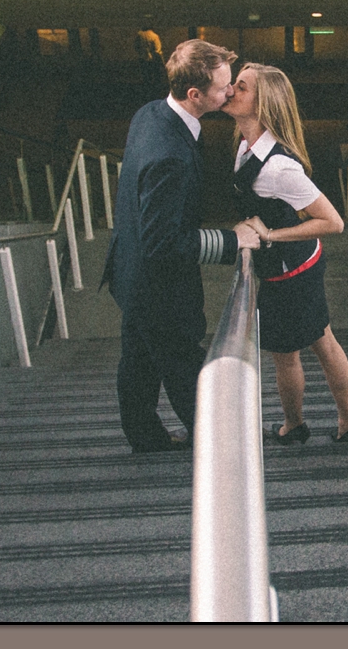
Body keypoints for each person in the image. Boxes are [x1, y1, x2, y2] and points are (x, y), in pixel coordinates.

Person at [103, 39, 260, 453]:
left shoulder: (151, 113)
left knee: (138, 359)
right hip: (157, 286)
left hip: (131, 270)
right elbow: (164, 244)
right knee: (182, 361)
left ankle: (145, 437)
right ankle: (218, 445)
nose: (230, 92)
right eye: (223, 87)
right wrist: (232, 241)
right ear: (195, 95)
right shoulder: (169, 154)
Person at [222, 63, 348, 444]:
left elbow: (333, 222)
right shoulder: (247, 144)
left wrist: (270, 233)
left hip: (291, 271)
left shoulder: (279, 167)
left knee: (292, 352)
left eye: (242, 87)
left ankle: (299, 425)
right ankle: (343, 424)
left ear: (263, 104)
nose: (231, 90)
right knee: (321, 341)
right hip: (296, 263)